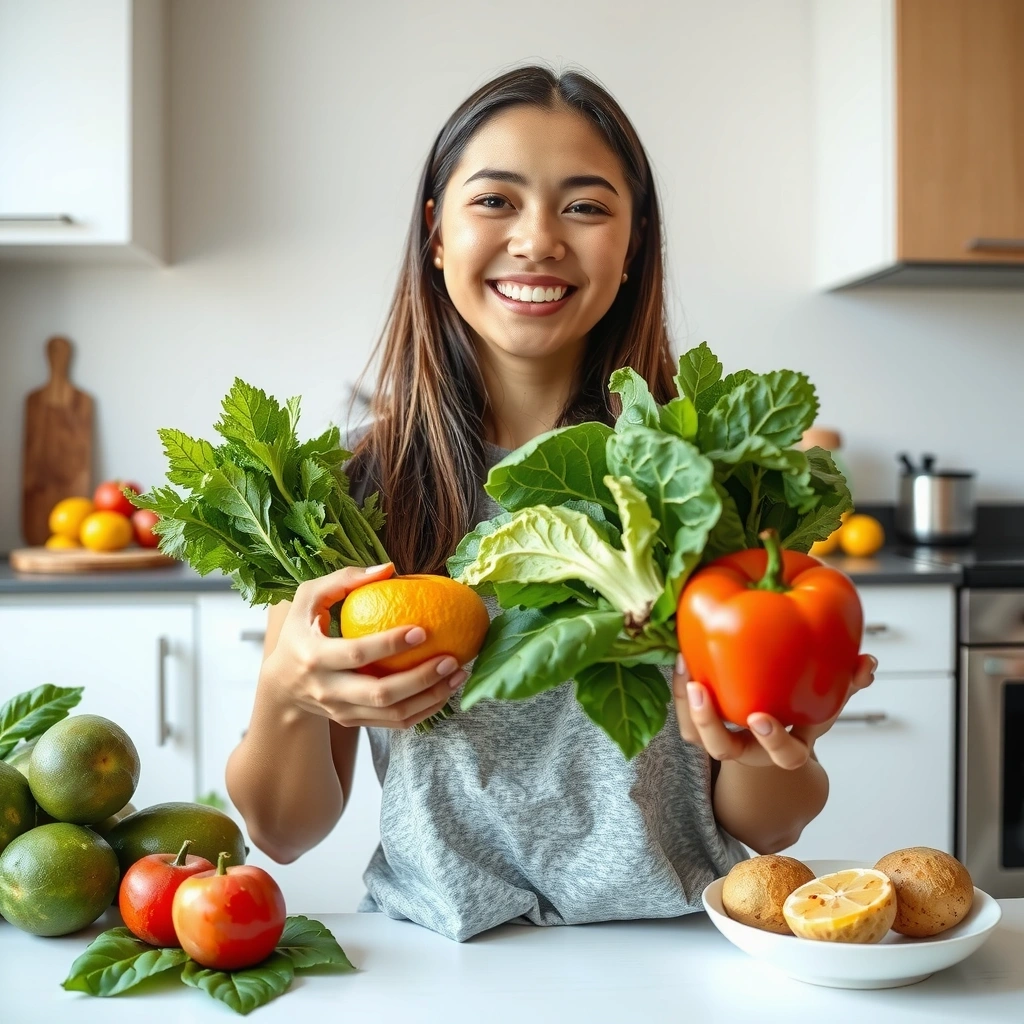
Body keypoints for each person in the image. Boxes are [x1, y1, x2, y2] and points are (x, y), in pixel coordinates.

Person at [225, 63, 877, 943]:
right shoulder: (344, 497)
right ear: (436, 233)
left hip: (680, 956)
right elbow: (283, 831)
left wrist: (769, 745)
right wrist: (288, 690)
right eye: (494, 201)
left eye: (585, 206)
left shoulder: (713, 480)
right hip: (442, 968)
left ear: (635, 239)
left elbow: (772, 825)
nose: (538, 241)